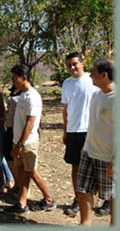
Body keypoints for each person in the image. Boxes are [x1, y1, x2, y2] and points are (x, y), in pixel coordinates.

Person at [6, 64, 56, 214]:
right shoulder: (22, 95)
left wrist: (19, 144)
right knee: (22, 172)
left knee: (32, 172)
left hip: (27, 143)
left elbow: (30, 123)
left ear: (24, 78)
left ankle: (49, 199)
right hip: (19, 141)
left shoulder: (32, 96)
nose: (13, 81)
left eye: (15, 78)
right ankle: (22, 203)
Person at [76, 58, 115, 225]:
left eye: (93, 72)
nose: (90, 75)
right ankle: (85, 224)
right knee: (82, 190)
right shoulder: (96, 95)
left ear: (104, 75)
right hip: (89, 151)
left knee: (113, 196)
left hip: (108, 157)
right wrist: (85, 147)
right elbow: (93, 125)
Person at [61, 52, 98, 217]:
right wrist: (65, 131)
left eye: (75, 64)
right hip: (73, 132)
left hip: (91, 131)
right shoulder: (67, 83)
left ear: (83, 63)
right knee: (75, 167)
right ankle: (78, 199)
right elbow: (65, 109)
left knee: (99, 168)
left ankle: (105, 201)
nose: (72, 68)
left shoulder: (93, 80)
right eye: (69, 65)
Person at [4, 85, 22, 191]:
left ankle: (23, 187)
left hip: (17, 129)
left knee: (18, 160)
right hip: (9, 128)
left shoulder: (24, 95)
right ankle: (17, 183)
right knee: (9, 158)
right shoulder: (13, 93)